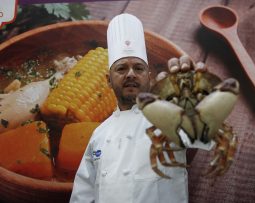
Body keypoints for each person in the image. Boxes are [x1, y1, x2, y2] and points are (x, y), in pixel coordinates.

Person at [69, 13, 188, 203]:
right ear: (108, 80)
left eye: (139, 68)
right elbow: (82, 195)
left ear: (149, 77)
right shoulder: (99, 135)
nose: (131, 74)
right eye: (121, 68)